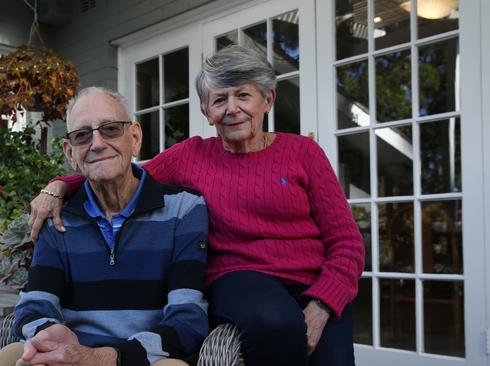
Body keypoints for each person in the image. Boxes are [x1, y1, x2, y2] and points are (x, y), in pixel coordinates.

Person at [28, 45, 365, 365]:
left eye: (243, 95)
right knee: (275, 323)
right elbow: (123, 171)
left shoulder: (303, 153)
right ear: (206, 112)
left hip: (312, 285)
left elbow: (347, 243)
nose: (232, 108)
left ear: (268, 100)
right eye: (220, 99)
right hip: (238, 279)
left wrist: (322, 304)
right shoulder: (190, 156)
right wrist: (60, 185)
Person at [0, 87, 209, 366]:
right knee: (9, 358)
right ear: (70, 153)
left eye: (110, 129)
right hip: (71, 356)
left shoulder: (184, 208)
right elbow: (34, 305)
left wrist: (107, 358)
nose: (96, 144)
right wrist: (51, 335)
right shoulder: (57, 216)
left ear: (135, 138)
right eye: (82, 135)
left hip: (147, 359)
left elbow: (188, 319)